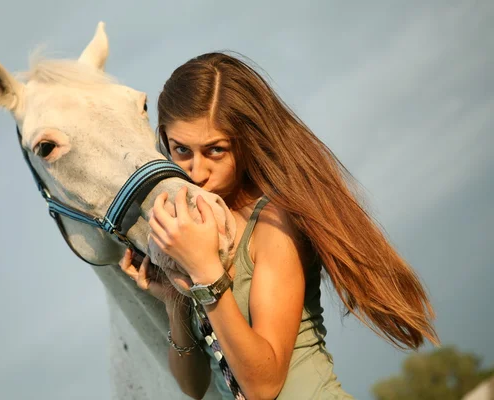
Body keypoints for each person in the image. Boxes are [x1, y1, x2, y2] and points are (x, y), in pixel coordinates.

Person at [119, 52, 439, 400]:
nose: (196, 171)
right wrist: (174, 301)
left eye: (215, 150)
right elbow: (194, 387)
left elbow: (263, 385)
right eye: (181, 149)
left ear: (246, 142)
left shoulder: (274, 222)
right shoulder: (194, 232)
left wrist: (204, 270)